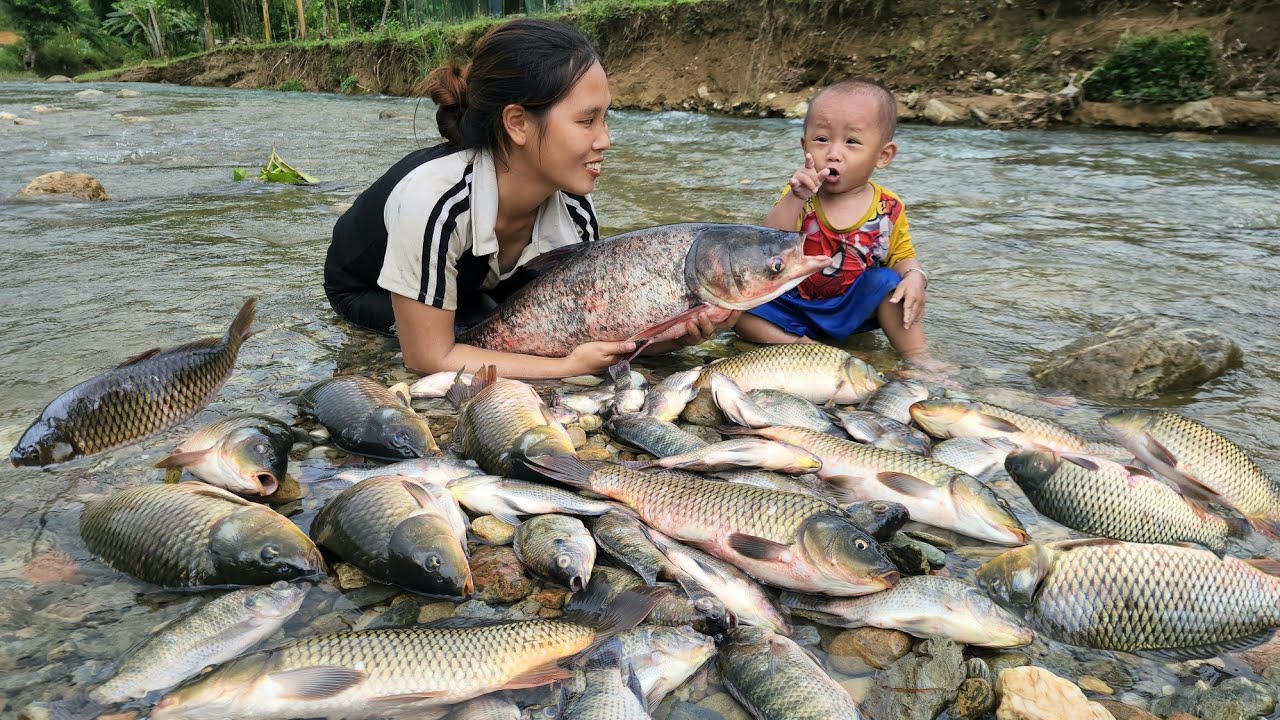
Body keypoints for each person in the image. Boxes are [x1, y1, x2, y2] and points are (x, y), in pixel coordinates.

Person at [323, 19, 726, 378]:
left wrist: (667, 339)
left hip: (479, 280)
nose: (605, 140)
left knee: (524, 325)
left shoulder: (575, 211)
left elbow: (582, 327)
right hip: (366, 289)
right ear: (517, 123)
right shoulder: (434, 202)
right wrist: (563, 369)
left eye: (606, 119)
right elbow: (427, 356)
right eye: (587, 121)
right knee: (475, 326)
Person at [735, 78, 938, 367]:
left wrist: (916, 275)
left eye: (852, 142)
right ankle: (804, 347)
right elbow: (770, 242)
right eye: (821, 139)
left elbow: (901, 256)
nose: (833, 153)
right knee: (740, 309)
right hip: (795, 303)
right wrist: (794, 198)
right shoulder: (801, 194)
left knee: (891, 284)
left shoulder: (889, 207)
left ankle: (918, 358)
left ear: (883, 155)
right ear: (805, 145)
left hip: (851, 309)